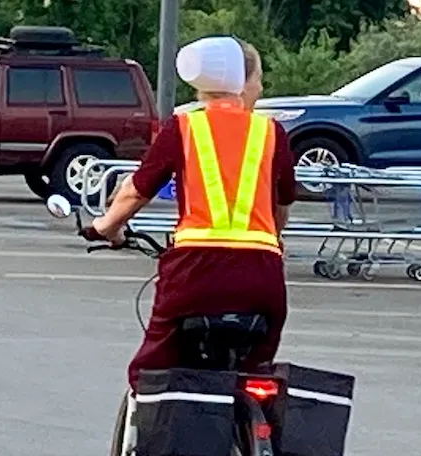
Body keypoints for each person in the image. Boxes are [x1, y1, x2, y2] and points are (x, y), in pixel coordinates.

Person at [83, 36, 297, 394]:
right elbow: (283, 204)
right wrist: (270, 238)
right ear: (239, 81)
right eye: (258, 77)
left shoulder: (183, 128)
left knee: (152, 369)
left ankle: (148, 441)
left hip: (194, 274)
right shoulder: (270, 132)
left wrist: (105, 226)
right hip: (261, 276)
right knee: (257, 368)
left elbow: (136, 190)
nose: (260, 86)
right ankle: (256, 433)